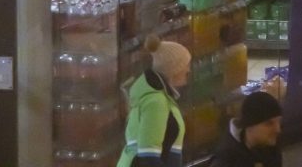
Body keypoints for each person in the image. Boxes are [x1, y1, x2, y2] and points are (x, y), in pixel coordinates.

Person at [117, 35, 191, 167]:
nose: (188, 69)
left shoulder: (160, 98)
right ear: (174, 69)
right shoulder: (156, 102)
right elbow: (149, 156)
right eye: (185, 65)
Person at [209, 91, 283, 167]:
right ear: (249, 125)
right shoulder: (225, 160)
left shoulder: (269, 144)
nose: (278, 130)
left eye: (279, 122)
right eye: (269, 124)